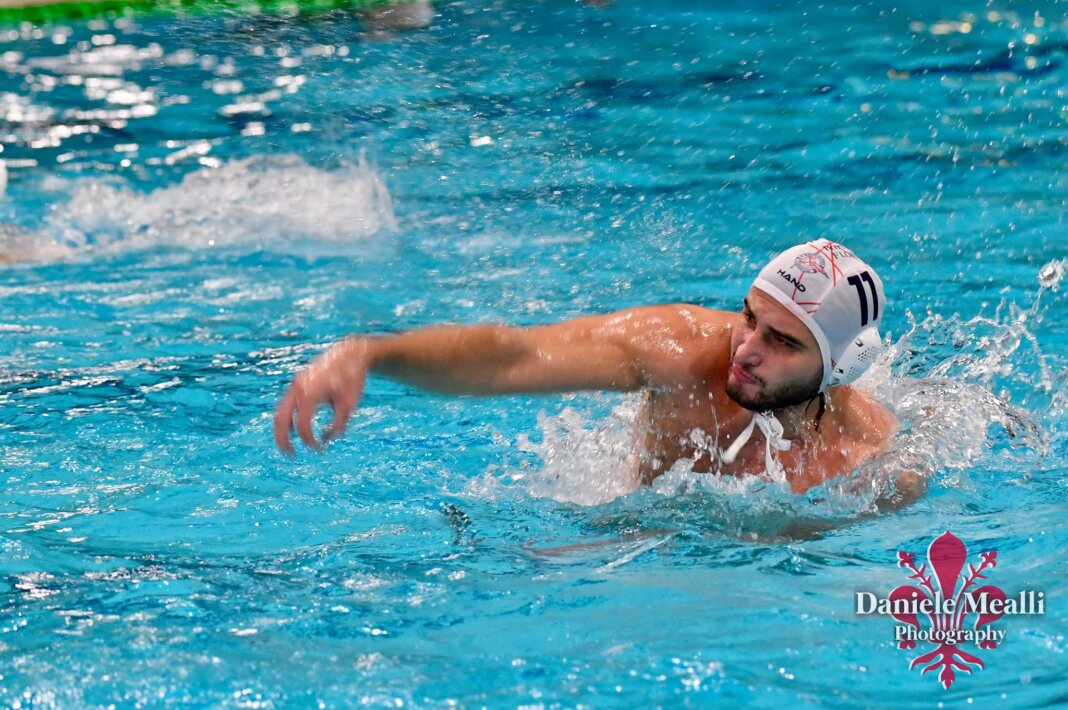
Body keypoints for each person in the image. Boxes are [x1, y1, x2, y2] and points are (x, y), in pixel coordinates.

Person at [274, 239, 924, 505]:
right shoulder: (680, 350)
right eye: (748, 317)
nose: (746, 349)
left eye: (781, 340)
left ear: (840, 367)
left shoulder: (872, 461)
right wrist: (370, 353)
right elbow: (515, 354)